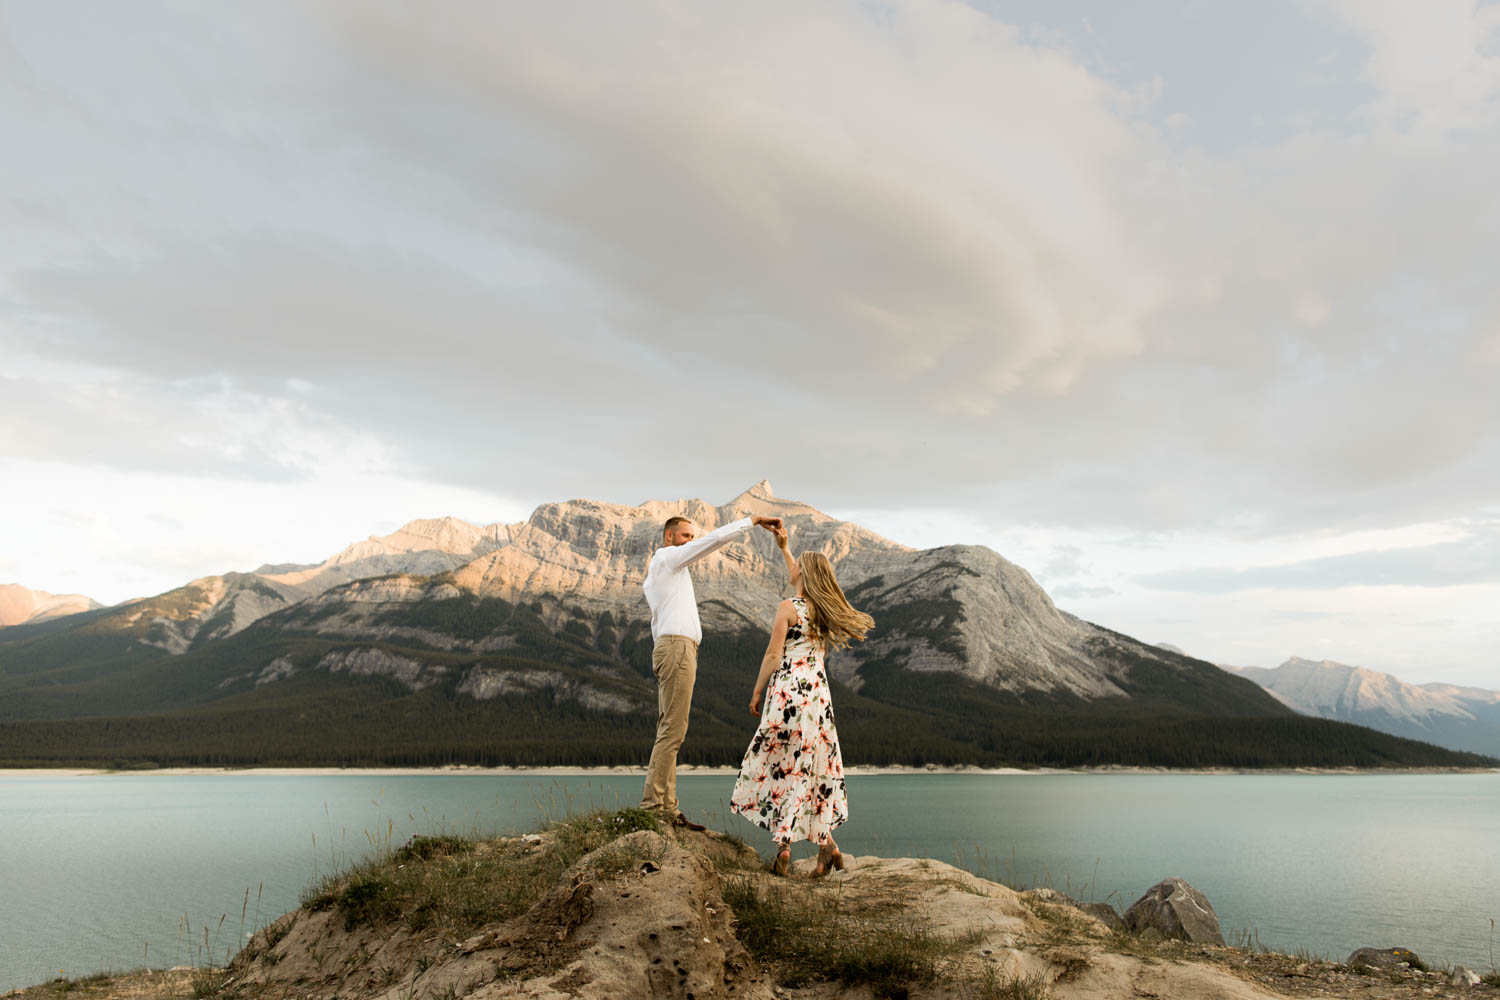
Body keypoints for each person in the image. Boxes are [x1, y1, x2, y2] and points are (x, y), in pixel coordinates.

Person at [730, 525, 873, 876]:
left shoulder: (787, 608)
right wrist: (784, 548)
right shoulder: (822, 611)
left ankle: (784, 847)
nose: (791, 568)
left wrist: (755, 690)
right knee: (811, 768)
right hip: (818, 701)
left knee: (779, 764)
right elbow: (799, 573)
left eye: (796, 566)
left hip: (787, 695)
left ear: (803, 575)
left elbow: (772, 654)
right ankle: (827, 848)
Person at [642, 510, 783, 829]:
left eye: (691, 537)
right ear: (669, 536)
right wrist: (752, 522)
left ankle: (666, 807)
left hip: (671, 647)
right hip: (677, 648)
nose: (690, 541)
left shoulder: (665, 571)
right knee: (673, 731)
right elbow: (712, 541)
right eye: (685, 536)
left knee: (670, 728)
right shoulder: (668, 558)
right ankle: (653, 807)